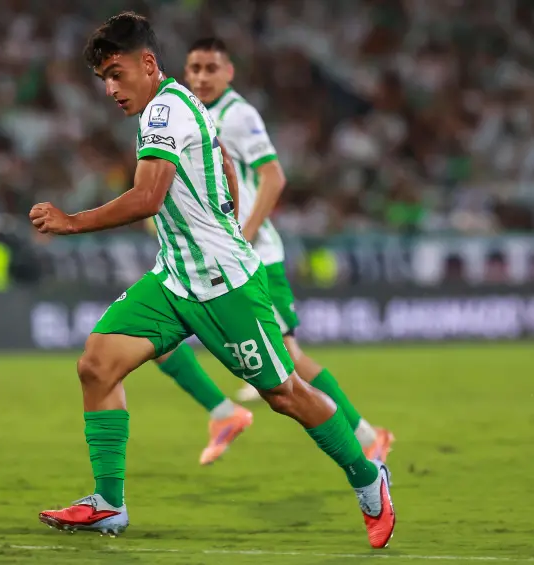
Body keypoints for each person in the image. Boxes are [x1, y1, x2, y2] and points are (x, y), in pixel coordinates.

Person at [30, 12, 395, 549]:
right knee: (97, 365)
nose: (110, 89)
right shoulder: (179, 104)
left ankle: (368, 478)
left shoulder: (163, 112)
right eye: (103, 79)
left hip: (224, 285)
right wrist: (224, 209)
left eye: (115, 74)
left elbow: (147, 198)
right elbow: (220, 159)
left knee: (286, 393)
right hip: (175, 278)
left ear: (147, 64)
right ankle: (108, 503)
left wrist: (72, 222)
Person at [183, 37, 394, 461]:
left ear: (229, 72)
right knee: (162, 336)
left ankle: (369, 437)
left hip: (254, 256)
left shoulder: (238, 115)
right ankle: (224, 410)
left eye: (211, 68)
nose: (202, 77)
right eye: (195, 69)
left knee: (291, 360)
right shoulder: (193, 116)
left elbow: (273, 177)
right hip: (216, 256)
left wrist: (243, 235)